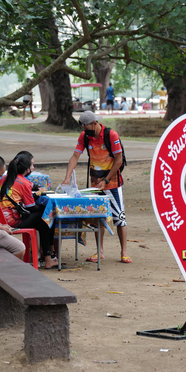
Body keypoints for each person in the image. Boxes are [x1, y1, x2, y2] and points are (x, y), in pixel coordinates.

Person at [62, 111, 131, 264]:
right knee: (98, 217)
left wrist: (106, 180)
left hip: (112, 183)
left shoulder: (111, 135)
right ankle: (99, 251)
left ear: (94, 123)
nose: (84, 131)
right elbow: (75, 156)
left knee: (119, 217)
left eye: (86, 127)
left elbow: (118, 160)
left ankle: (124, 252)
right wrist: (67, 177)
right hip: (95, 184)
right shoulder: (85, 136)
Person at [0, 151, 58, 269]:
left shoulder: (6, 177)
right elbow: (31, 207)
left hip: (1, 217)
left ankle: (46, 252)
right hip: (13, 221)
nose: (33, 167)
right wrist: (37, 194)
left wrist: (36, 191)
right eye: (32, 165)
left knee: (43, 214)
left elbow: (30, 186)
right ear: (26, 168)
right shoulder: (23, 182)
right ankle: (48, 257)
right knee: (47, 216)